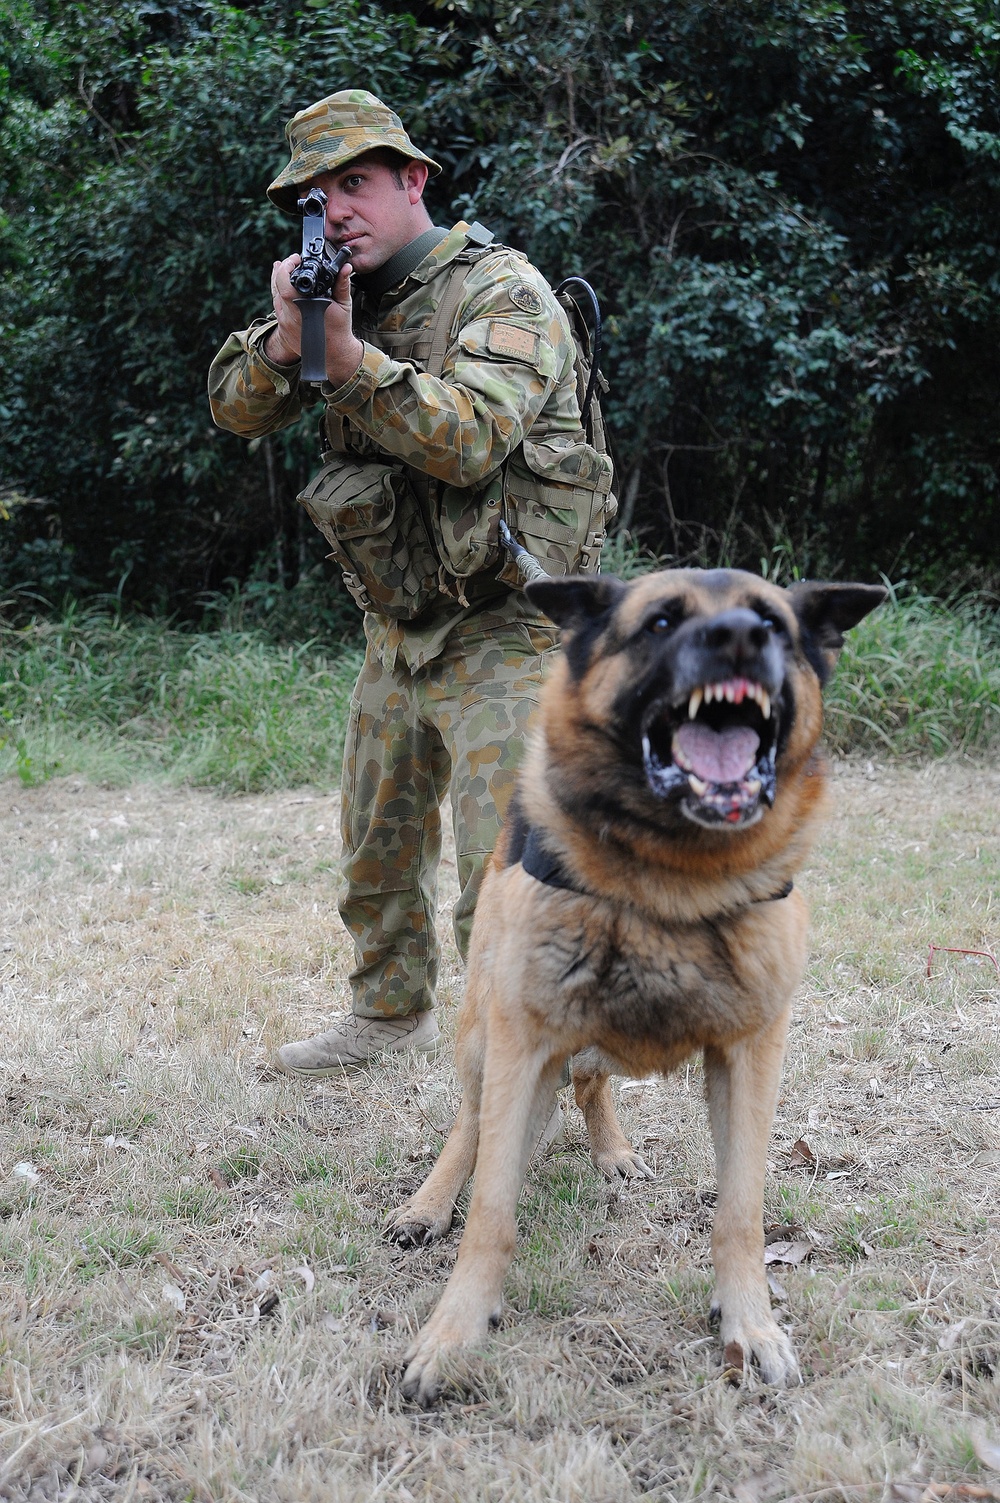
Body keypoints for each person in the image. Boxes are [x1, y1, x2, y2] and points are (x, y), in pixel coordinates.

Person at [208, 90, 614, 1077]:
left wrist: (344, 361)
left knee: (509, 864)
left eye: (354, 183)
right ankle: (387, 1018)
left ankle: (542, 1053)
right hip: (399, 627)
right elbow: (231, 407)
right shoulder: (333, 294)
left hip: (507, 626)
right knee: (375, 848)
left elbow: (472, 435)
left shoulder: (502, 291)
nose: (334, 210)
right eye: (312, 195)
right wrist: (285, 339)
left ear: (412, 181)